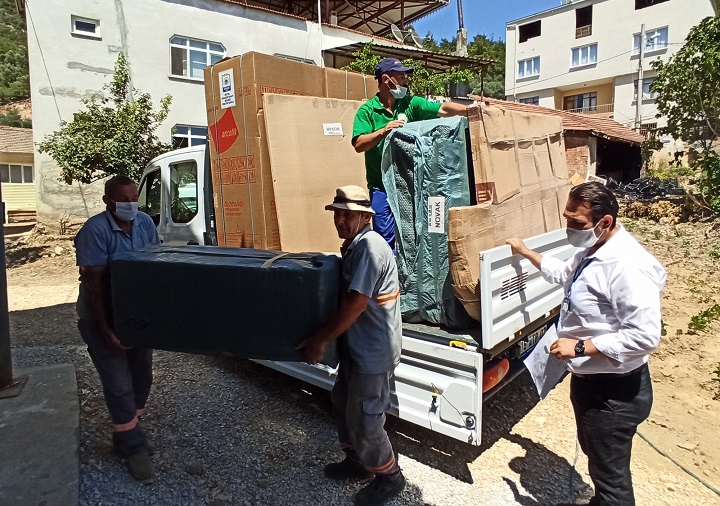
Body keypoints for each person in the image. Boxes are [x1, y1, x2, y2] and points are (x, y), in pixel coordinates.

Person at [506, 182, 666, 506]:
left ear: (604, 221)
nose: (569, 227)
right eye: (567, 218)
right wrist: (524, 251)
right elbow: (561, 272)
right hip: (591, 383)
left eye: (576, 222)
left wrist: (578, 347)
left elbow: (645, 336)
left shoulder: (626, 265)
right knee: (597, 458)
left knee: (612, 482)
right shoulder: (592, 251)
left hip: (614, 393)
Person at [297, 185, 404, 506]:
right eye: (337, 214)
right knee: (343, 403)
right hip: (358, 347)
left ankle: (390, 477)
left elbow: (356, 304)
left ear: (365, 217)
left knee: (366, 419)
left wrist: (319, 339)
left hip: (374, 352)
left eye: (348, 215)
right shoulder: (354, 245)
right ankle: (357, 462)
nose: (341, 221)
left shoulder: (370, 247)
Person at [75, 175, 160, 483]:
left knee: (142, 376)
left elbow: (155, 266)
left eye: (134, 198)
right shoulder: (95, 230)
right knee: (118, 383)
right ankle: (132, 447)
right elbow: (94, 284)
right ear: (107, 201)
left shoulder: (145, 223)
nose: (130, 204)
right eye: (123, 200)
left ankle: (129, 430)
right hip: (101, 318)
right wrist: (107, 329)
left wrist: (154, 317)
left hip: (135, 317)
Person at [352, 57, 470, 249]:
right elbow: (359, 144)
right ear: (386, 79)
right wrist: (383, 131)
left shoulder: (411, 104)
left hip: (411, 187)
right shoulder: (367, 111)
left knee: (414, 238)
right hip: (381, 188)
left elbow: (443, 108)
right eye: (401, 77)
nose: (406, 81)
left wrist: (472, 110)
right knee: (385, 242)